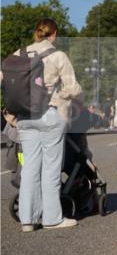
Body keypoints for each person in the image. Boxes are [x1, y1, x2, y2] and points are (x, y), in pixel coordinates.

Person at [14, 18, 83, 230]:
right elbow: (74, 88)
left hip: (24, 117)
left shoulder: (19, 54)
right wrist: (60, 95)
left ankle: (27, 219)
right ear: (53, 34)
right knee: (51, 169)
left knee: (30, 169)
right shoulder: (57, 55)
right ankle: (52, 219)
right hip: (49, 115)